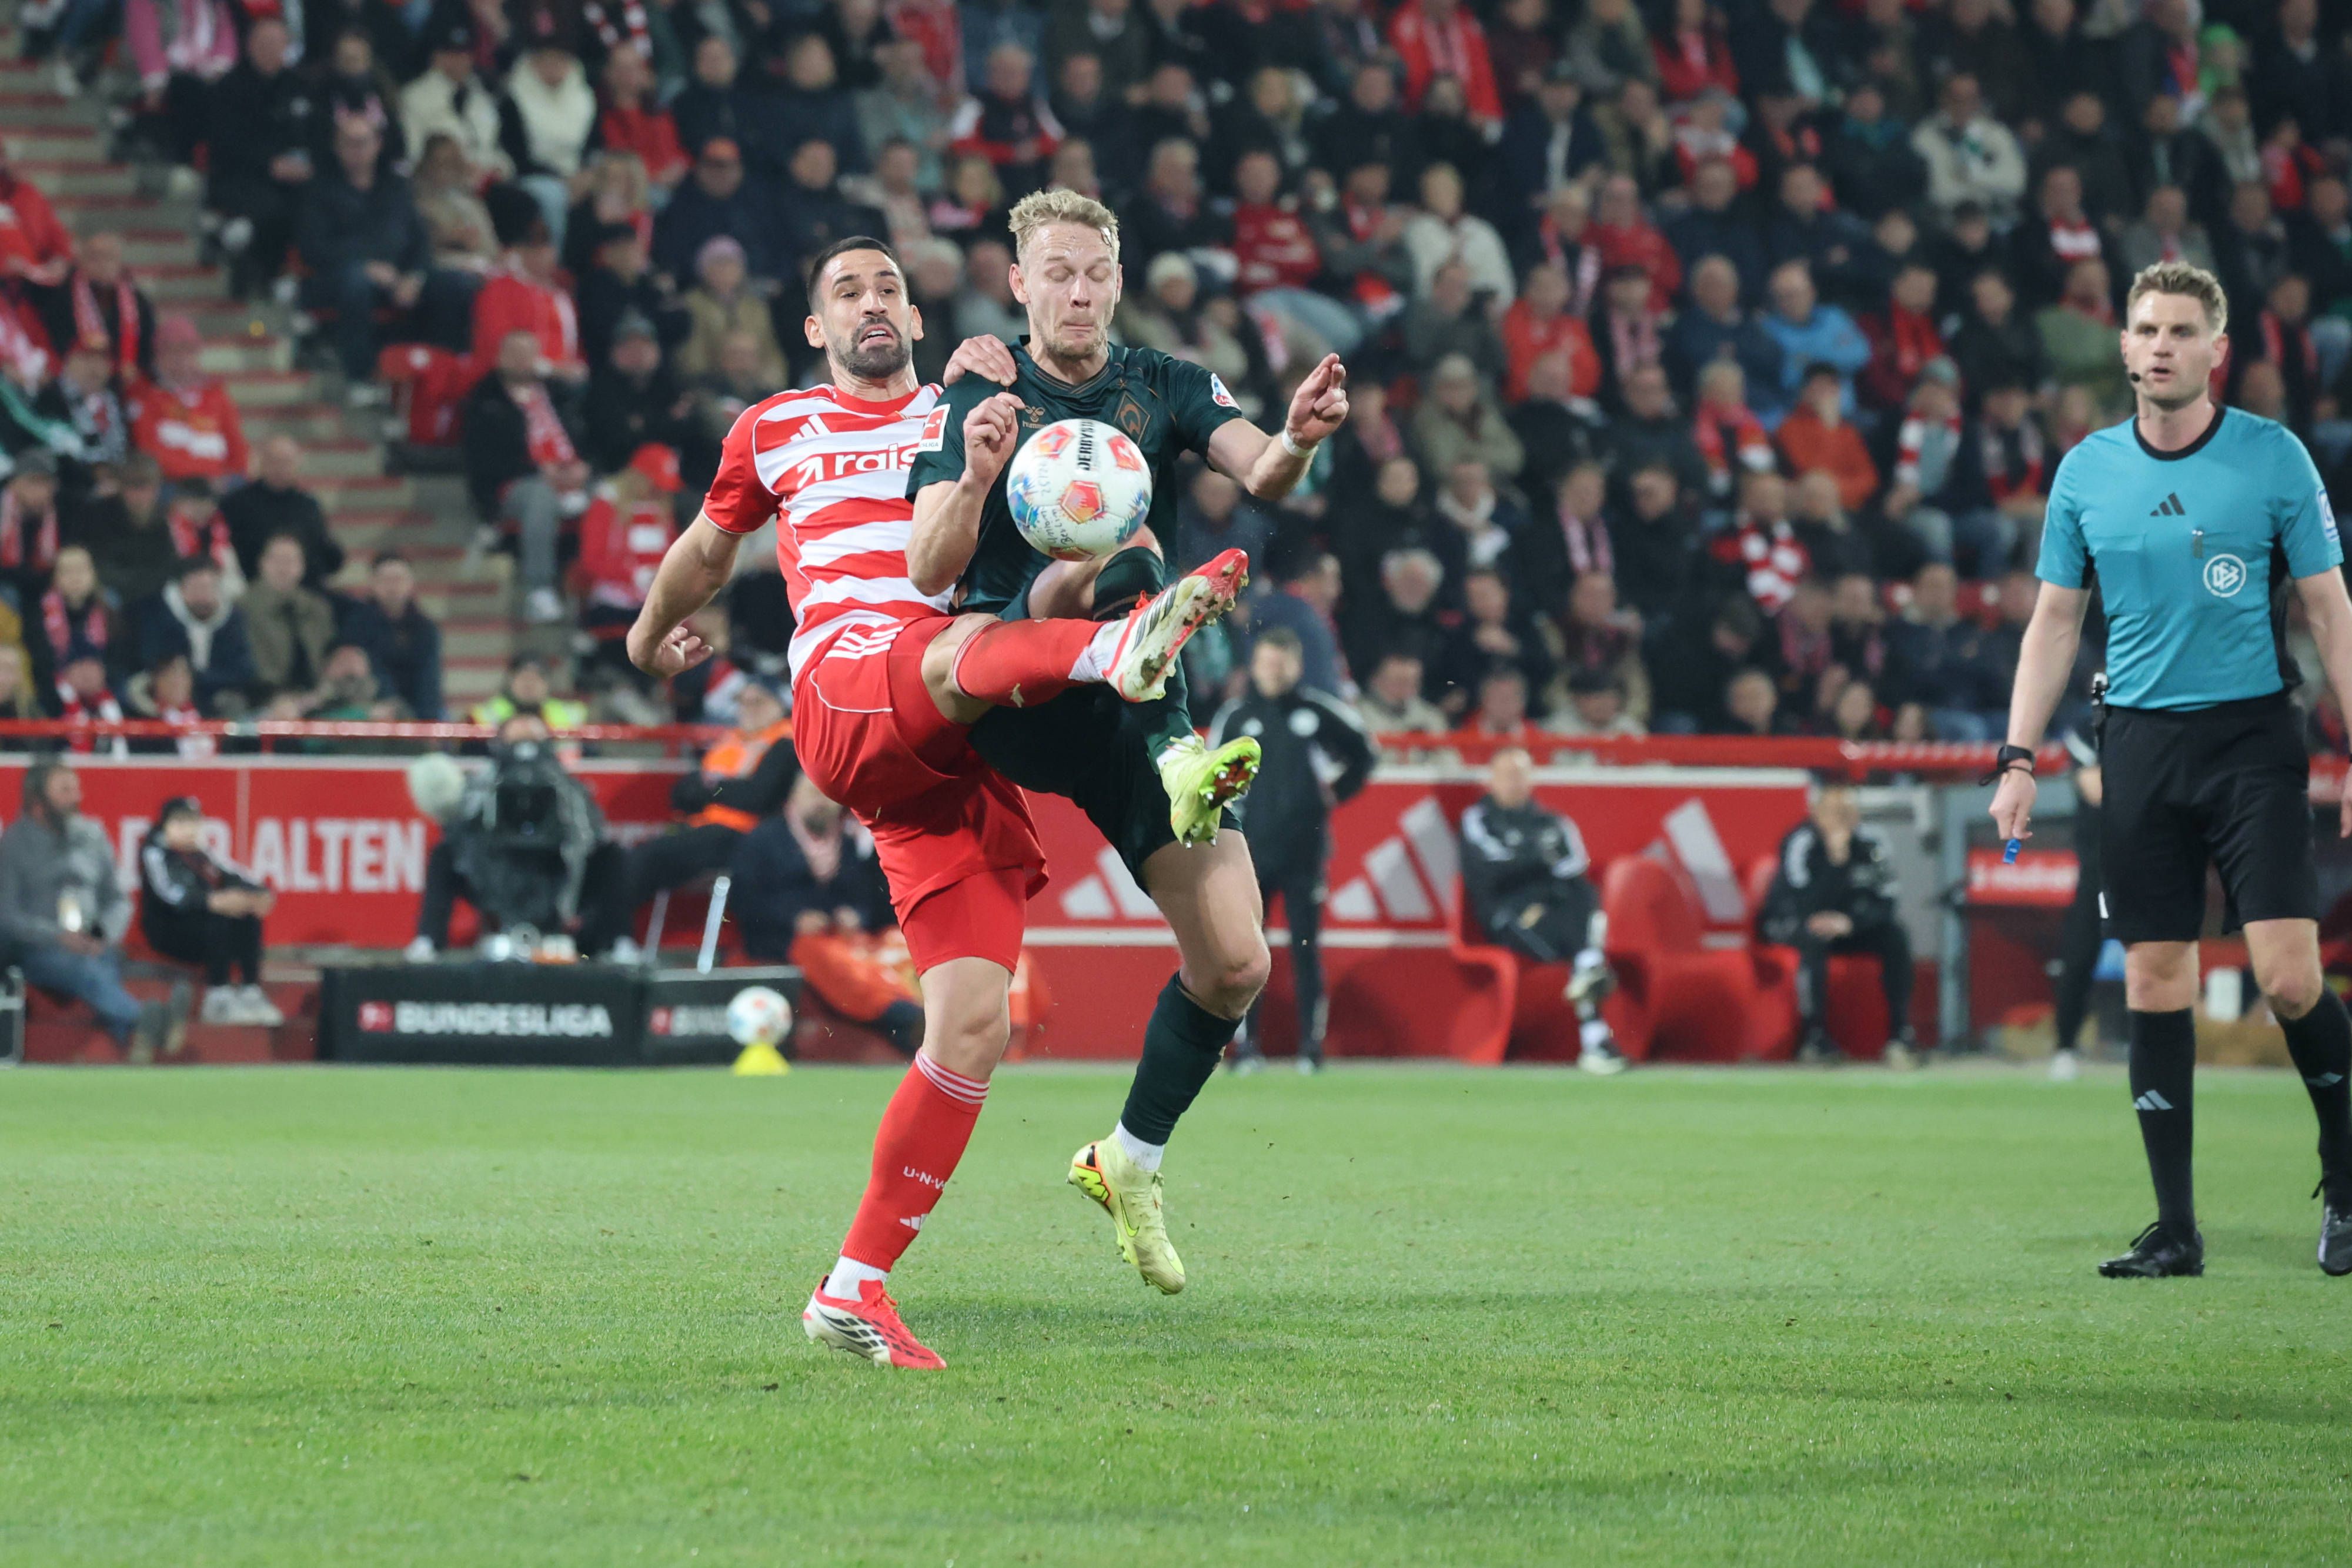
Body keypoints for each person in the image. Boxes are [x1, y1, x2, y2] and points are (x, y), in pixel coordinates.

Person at [624, 234, 1257, 1368]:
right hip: (850, 692)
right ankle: (1116, 652)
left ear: (919, 321)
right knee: (962, 636)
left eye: (890, 290)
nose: (872, 305)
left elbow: (1062, 503)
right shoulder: (773, 427)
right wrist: (644, 634)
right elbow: (708, 550)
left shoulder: (974, 405)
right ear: (814, 329)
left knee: (974, 1018)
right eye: (845, 294)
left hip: (946, 752)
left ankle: (852, 1287)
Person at [907, 190, 1350, 1309]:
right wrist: (974, 470)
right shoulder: (974, 388)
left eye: (1094, 272)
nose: (1079, 291)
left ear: (1118, 276)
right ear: (1018, 284)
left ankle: (1129, 1158)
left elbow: (1259, 472)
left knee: (1237, 962)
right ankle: (1176, 741)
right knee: (1136, 547)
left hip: (1113, 708)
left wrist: (1296, 436)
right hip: (1016, 676)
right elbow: (926, 570)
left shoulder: (1162, 382)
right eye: (1055, 272)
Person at [1990, 259, 2352, 1281]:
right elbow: (2055, 622)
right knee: (2155, 976)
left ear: (2215, 351)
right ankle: (2175, 1228)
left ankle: (2347, 1173)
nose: (2160, 345)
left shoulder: (2274, 458)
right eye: (2146, 328)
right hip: (2137, 742)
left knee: (2289, 978)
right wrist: (2017, 756)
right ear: (2124, 347)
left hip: (2249, 739)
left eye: (2181, 331)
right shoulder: (2085, 471)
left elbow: (2329, 610)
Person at [1214, 629, 1375, 1073]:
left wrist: (1332, 794)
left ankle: (1310, 1048)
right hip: (1249, 854)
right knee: (1248, 954)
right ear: (1254, 667)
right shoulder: (1237, 716)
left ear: (1296, 666)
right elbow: (1211, 779)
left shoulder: (1319, 712)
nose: (1274, 671)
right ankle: (1247, 1049)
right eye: (1267, 663)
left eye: (1281, 664)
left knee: (1306, 950)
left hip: (1305, 852)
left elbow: (1364, 754)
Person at [580, 678, 798, 961]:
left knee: (649, 856)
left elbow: (757, 797)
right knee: (622, 860)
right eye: (743, 701)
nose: (748, 709)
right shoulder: (732, 739)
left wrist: (710, 789)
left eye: (758, 701)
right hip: (706, 829)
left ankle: (599, 939)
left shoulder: (784, 743)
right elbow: (682, 793)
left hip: (745, 836)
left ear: (779, 706)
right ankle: (601, 936)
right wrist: (718, 789)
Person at [0, 758, 186, 1059]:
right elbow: (7, 915)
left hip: (96, 943)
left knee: (99, 966)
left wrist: (100, 933)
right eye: (64, 791)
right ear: (37, 798)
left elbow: (118, 899)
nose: (76, 798)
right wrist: (59, 936)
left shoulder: (93, 835)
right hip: (41, 950)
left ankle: (137, 1033)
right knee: (88, 972)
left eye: (76, 789)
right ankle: (150, 1022)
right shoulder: (14, 843)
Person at [1458, 745, 1626, 1074]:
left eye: (1520, 775)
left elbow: (1573, 869)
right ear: (1491, 780)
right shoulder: (1479, 819)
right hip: (1508, 916)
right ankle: (1595, 1028)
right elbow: (1491, 871)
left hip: (1550, 912)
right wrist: (1538, 860)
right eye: (1507, 775)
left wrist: (1529, 864)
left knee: (1584, 895)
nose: (1514, 783)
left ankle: (1594, 1036)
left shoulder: (1554, 822)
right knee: (1582, 948)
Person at [407, 714, 619, 959]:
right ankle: (428, 941)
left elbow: (590, 834)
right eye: (517, 729)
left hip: (556, 875)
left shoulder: (569, 786)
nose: (525, 731)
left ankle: (617, 943)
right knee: (443, 854)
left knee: (612, 856)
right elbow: (460, 828)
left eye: (532, 730)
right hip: (494, 877)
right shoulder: (482, 783)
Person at [1757, 777, 1919, 1068]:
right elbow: (1801, 900)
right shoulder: (1801, 841)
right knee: (1813, 937)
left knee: (1895, 936)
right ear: (1817, 813)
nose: (1842, 819)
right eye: (1834, 811)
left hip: (1848, 927)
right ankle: (1815, 1038)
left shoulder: (1873, 842)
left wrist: (1851, 923)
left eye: (1847, 811)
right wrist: (1835, 859)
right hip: (1799, 921)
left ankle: (1900, 1035)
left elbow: (1887, 901)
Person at [136, 796, 279, 1024]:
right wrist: (212, 901)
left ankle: (251, 990)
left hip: (200, 929)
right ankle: (217, 996)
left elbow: (230, 875)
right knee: (219, 914)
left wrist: (257, 894)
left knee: (247, 914)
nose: (189, 830)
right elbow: (171, 895)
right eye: (181, 823)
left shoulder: (201, 855)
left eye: (193, 822)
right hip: (168, 931)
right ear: (166, 826)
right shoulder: (155, 853)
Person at [2049, 729, 2104, 1084]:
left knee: (2164, 957)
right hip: (2100, 872)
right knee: (2079, 959)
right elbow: (2095, 790)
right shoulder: (2089, 732)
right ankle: (2065, 1047)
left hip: (2151, 863)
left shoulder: (2162, 719)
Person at [339, 552, 443, 720]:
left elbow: (429, 681)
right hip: (372, 709)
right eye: (386, 580)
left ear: (411, 583)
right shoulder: (357, 624)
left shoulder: (426, 629)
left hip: (417, 711)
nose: (392, 587)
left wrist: (426, 721)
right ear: (372, 583)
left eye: (398, 580)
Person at [240, 534, 335, 704]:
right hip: (262, 696)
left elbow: (327, 654)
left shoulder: (317, 608)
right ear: (262, 563)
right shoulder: (242, 608)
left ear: (302, 566)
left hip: (315, 696)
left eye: (291, 561)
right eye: (277, 560)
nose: (283, 568)